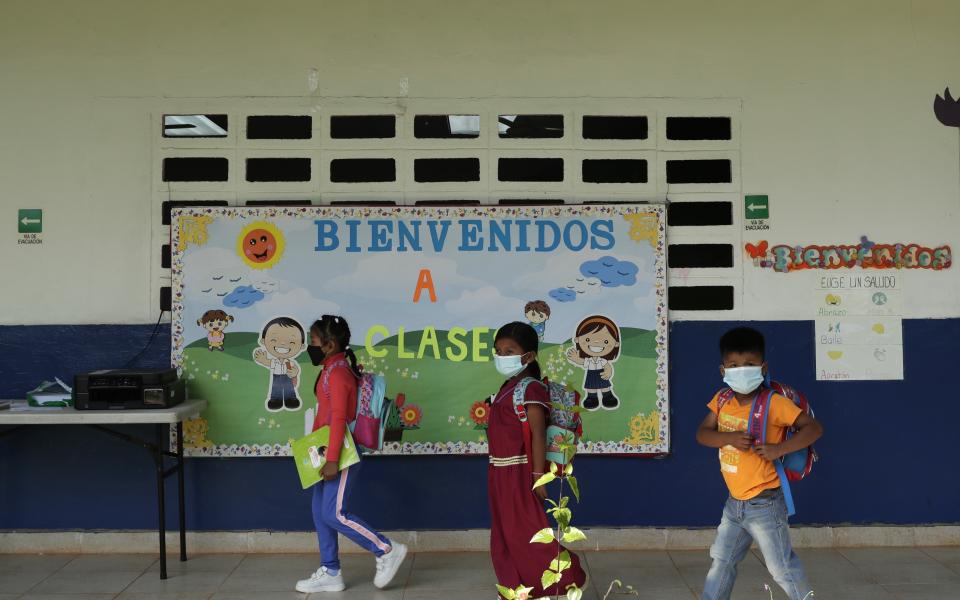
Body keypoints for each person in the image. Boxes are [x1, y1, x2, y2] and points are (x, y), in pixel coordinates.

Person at [696, 327, 823, 600]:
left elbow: (813, 429)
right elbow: (702, 434)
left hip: (765, 504)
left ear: (763, 368)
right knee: (722, 560)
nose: (741, 370)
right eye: (734, 365)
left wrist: (780, 449)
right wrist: (728, 437)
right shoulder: (722, 400)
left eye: (750, 364)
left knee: (782, 568)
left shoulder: (774, 403)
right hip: (734, 504)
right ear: (723, 371)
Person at [295, 314, 408, 593]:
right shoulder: (330, 370)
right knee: (320, 512)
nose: (310, 347)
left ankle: (386, 549)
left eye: (314, 342)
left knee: (335, 513)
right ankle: (330, 571)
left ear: (330, 345)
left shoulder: (339, 373)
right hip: (325, 452)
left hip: (341, 454)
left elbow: (338, 420)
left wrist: (332, 459)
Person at [488, 321, 587, 599]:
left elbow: (538, 434)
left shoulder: (530, 388)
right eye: (499, 351)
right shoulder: (508, 386)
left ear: (528, 356)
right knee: (505, 534)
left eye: (510, 351)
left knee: (529, 534)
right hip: (499, 472)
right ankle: (515, 588)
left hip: (520, 472)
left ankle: (571, 578)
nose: (502, 356)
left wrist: (537, 477)